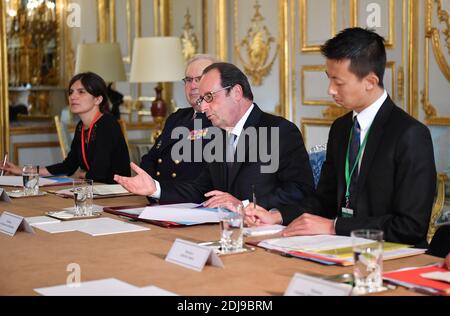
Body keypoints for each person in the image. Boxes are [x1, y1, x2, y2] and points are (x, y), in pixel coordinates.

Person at [245, 27, 436, 248]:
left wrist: (334, 227)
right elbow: (323, 201)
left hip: (395, 254)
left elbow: (410, 227)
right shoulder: (341, 128)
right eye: (329, 79)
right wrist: (276, 215)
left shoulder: (410, 134)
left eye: (339, 82)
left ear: (370, 82)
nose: (330, 90)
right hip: (339, 247)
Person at [115, 62, 314, 221]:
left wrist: (243, 205)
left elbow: (301, 192)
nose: (203, 108)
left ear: (236, 92)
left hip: (265, 235)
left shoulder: (279, 131)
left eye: (209, 97)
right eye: (202, 99)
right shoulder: (217, 135)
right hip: (224, 231)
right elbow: (202, 189)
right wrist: (155, 188)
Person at [2, 72, 131, 184]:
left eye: (81, 92)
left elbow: (99, 173)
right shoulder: (81, 127)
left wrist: (80, 176)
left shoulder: (107, 124)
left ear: (98, 99)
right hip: (96, 191)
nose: (73, 97)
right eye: (71, 92)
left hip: (115, 193)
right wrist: (23, 170)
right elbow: (68, 166)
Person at [139, 54, 216, 182]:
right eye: (188, 80)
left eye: (199, 79)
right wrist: (152, 188)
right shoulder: (177, 117)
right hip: (158, 196)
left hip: (191, 199)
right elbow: (150, 158)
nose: (193, 86)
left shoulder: (219, 120)